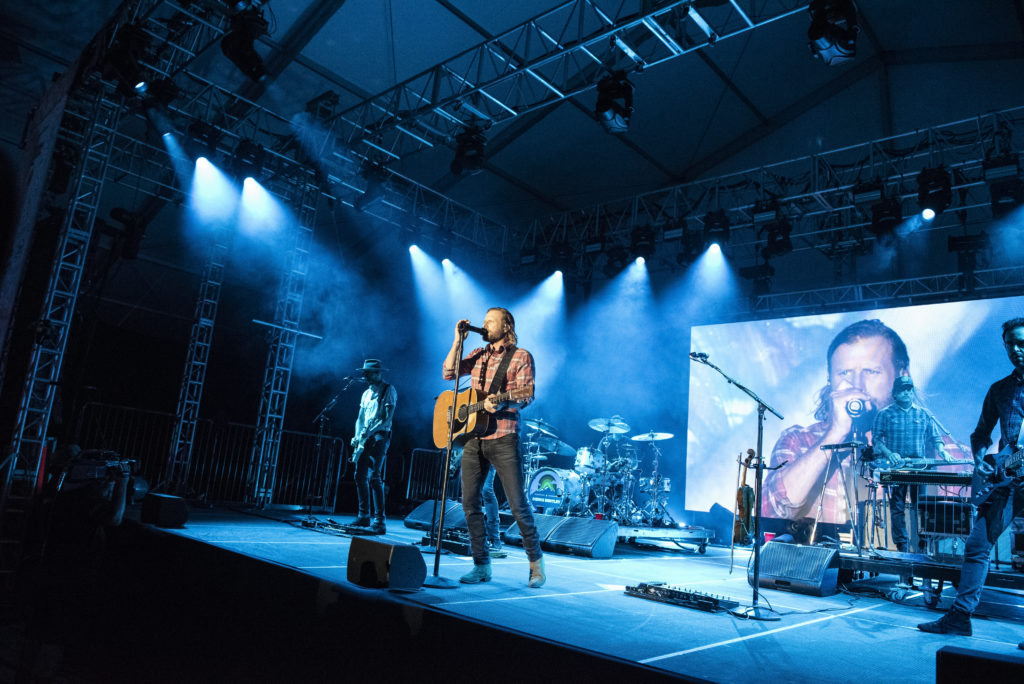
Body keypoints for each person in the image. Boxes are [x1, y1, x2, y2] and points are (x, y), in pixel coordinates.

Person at [761, 319, 968, 534]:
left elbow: (967, 537)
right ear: (830, 380)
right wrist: (835, 434)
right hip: (831, 567)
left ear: (901, 376)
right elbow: (772, 512)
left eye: (871, 371)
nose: (857, 385)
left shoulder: (947, 453)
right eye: (845, 373)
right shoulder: (800, 442)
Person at [918, 317, 1024, 648]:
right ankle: (960, 617)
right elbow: (981, 434)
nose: (1017, 350)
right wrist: (981, 457)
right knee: (977, 546)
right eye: (1011, 344)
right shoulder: (1000, 390)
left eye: (1022, 342)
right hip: (1007, 479)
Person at [443, 307, 545, 587]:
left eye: (490, 321)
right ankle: (481, 565)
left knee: (517, 504)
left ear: (506, 326)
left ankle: (536, 565)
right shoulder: (478, 353)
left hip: (503, 436)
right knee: (470, 504)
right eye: (484, 320)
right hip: (474, 438)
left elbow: (525, 395)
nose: (484, 325)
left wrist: (501, 402)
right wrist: (458, 340)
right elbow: (449, 373)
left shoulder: (521, 356)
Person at [871, 375, 952, 552]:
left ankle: (922, 545)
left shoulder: (923, 414)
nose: (907, 393)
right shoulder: (885, 414)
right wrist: (889, 454)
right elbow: (876, 440)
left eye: (909, 390)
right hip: (898, 468)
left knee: (920, 506)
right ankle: (902, 546)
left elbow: (936, 437)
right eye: (902, 390)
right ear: (895, 394)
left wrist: (942, 450)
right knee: (898, 506)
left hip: (918, 467)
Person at [350, 359, 397, 534]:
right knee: (359, 475)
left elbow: (387, 418)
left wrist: (369, 433)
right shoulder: (366, 394)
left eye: (369, 373)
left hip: (379, 435)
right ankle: (363, 516)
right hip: (365, 435)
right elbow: (360, 417)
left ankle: (379, 521)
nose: (366, 376)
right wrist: (357, 435)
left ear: (378, 373)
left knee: (374, 476)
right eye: (365, 373)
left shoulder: (388, 390)